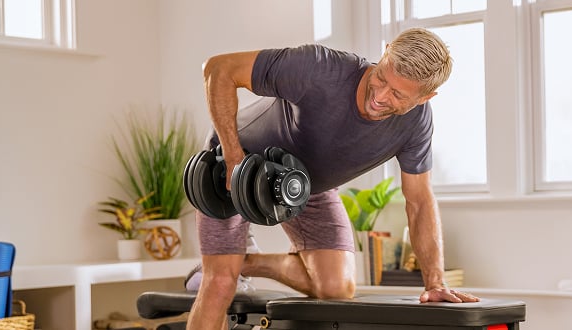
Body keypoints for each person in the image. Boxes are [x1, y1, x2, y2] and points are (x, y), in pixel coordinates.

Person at [187, 28, 479, 329]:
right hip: (237, 165)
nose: (380, 96)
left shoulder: (416, 124)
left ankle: (243, 262)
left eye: (397, 95)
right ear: (386, 51)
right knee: (220, 282)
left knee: (336, 287)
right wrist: (233, 157)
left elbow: (419, 201)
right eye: (381, 78)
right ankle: (223, 266)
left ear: (425, 97)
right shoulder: (319, 68)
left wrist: (435, 282)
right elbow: (218, 69)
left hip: (306, 186)